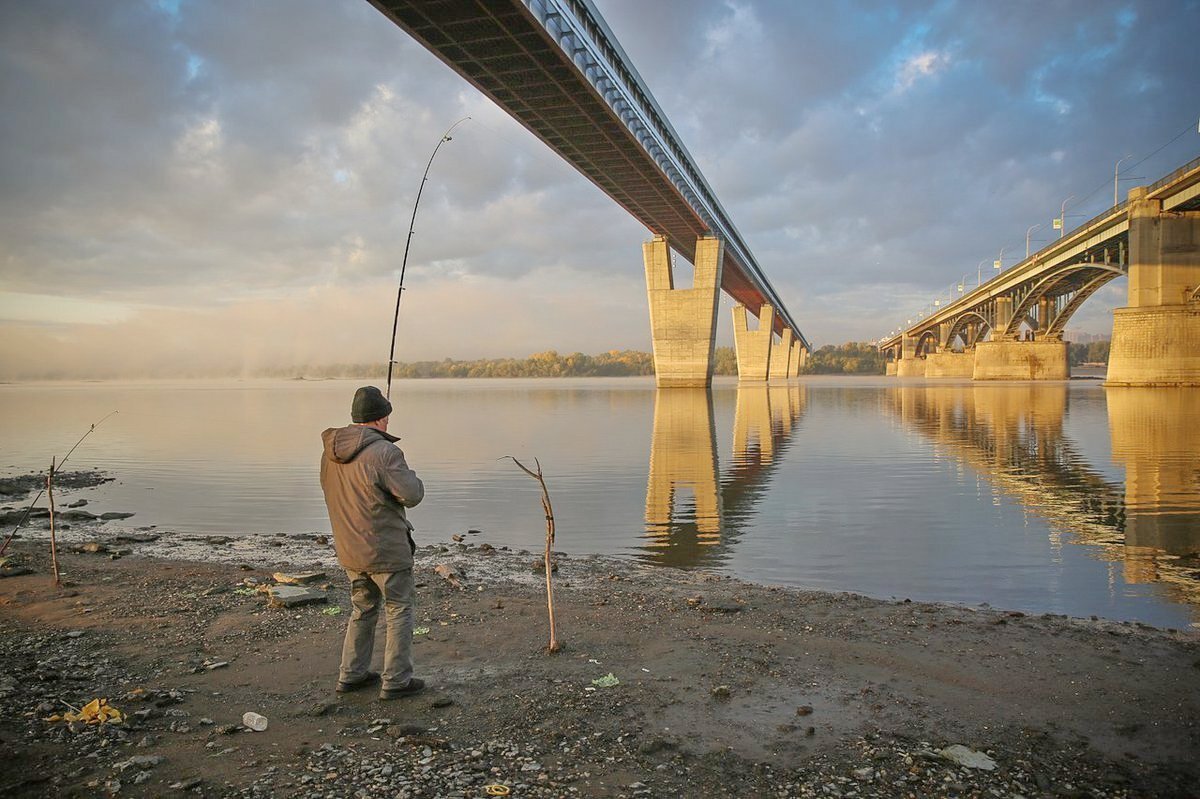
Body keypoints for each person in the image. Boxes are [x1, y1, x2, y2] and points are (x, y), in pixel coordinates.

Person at [320, 385, 426, 700]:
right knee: (399, 609)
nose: (389, 422)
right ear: (381, 418)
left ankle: (351, 675)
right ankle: (397, 681)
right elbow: (412, 494)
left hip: (350, 548)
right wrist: (413, 476)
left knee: (362, 609)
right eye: (387, 417)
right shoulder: (386, 453)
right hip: (386, 549)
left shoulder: (330, 454)